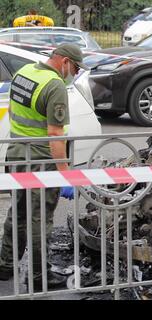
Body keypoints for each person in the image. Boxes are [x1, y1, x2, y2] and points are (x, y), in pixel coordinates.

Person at [0, 43, 88, 290]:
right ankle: (38, 278)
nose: (76, 74)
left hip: (16, 154)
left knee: (17, 213)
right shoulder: (55, 85)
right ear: (65, 62)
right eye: (76, 68)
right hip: (41, 161)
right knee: (40, 220)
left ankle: (5, 265)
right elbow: (55, 135)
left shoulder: (24, 73)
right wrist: (65, 175)